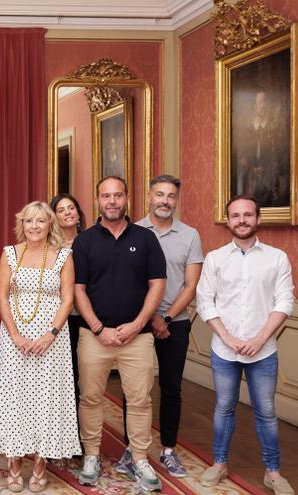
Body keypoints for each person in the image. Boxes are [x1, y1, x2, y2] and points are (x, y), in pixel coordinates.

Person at [72, 176, 166, 492]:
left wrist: (139, 324)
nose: (111, 201)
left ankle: (139, 458)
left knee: (140, 400)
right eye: (105, 196)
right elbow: (77, 290)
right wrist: (99, 328)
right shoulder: (83, 242)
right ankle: (92, 456)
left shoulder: (147, 238)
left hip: (137, 338)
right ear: (97, 200)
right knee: (90, 398)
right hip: (93, 336)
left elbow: (157, 285)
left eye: (117, 195)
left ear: (127, 198)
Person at [196, 196, 295, 495]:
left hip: (263, 352)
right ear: (228, 220)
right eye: (235, 215)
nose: (242, 220)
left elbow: (285, 301)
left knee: (266, 411)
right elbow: (204, 301)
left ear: (258, 219)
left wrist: (259, 339)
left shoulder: (277, 258)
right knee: (224, 407)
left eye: (247, 215)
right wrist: (228, 338)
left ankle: (273, 473)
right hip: (224, 350)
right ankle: (220, 463)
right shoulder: (215, 258)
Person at [0, 201, 80, 493]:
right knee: (15, 397)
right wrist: (15, 335)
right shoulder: (10, 254)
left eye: (41, 221)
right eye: (29, 221)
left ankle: (40, 462)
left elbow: (67, 299)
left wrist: (50, 334)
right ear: (21, 225)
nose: (35, 226)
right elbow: (1, 297)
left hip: (52, 340)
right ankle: (14, 462)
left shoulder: (64, 255)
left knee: (47, 398)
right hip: (15, 338)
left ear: (50, 224)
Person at [116, 176, 203, 478]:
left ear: (177, 200)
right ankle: (131, 449)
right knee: (134, 389)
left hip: (174, 324)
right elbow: (127, 281)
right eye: (159, 194)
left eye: (171, 196)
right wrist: (149, 316)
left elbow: (191, 286)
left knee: (171, 388)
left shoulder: (190, 236)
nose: (165, 201)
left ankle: (168, 449)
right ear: (149, 197)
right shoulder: (132, 232)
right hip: (138, 323)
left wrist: (165, 318)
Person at [50, 193, 87, 425]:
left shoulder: (91, 240)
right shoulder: (48, 246)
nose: (67, 213)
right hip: (58, 319)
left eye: (71, 207)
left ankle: (79, 435)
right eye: (61, 209)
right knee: (62, 377)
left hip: (85, 317)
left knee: (85, 378)